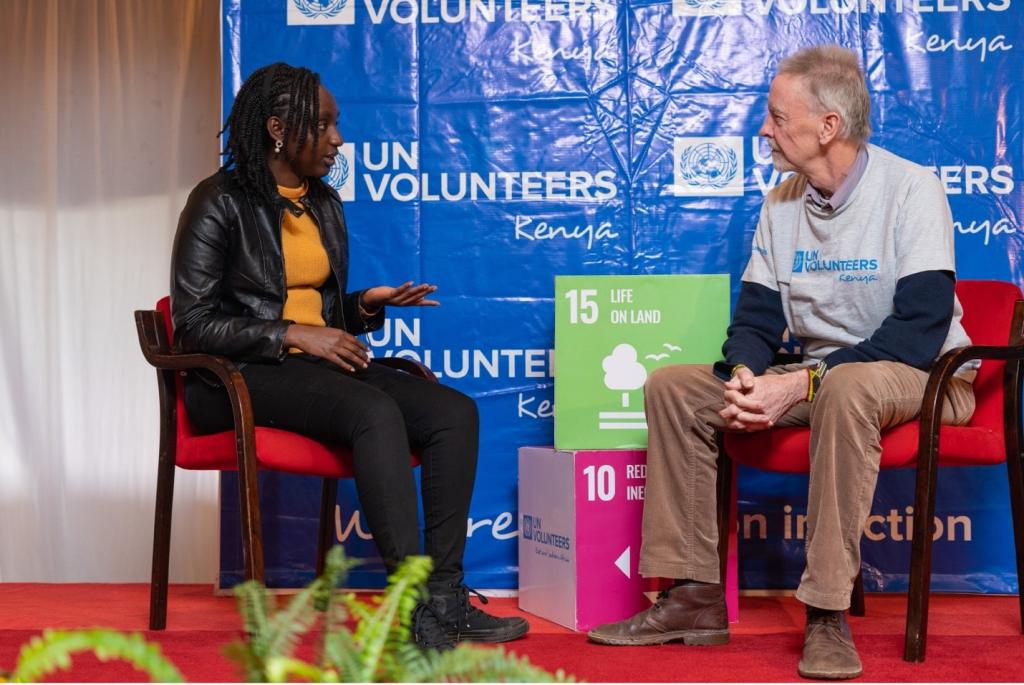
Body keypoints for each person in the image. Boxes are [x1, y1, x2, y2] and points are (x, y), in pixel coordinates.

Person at [586, 45, 976, 680]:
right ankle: (694, 596)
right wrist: (744, 374)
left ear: (828, 126)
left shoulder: (912, 189)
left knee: (847, 385)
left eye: (775, 115)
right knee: (674, 387)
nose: (763, 129)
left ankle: (825, 613)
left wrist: (800, 380)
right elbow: (758, 319)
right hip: (824, 375)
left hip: (927, 375)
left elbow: (919, 328)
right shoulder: (782, 202)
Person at [170, 62, 529, 651]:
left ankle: (444, 596)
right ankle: (409, 608)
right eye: (326, 124)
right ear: (279, 128)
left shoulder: (323, 203)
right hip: (236, 376)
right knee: (372, 412)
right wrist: (290, 334)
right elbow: (193, 322)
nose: (339, 139)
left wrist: (362, 305)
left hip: (305, 367)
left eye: (338, 125)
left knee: (453, 413)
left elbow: (324, 320)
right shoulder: (217, 202)